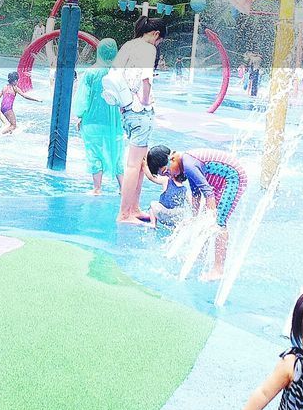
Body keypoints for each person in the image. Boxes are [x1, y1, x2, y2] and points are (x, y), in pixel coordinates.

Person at [145, 145, 246, 280]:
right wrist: (194, 217)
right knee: (205, 220)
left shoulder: (189, 165)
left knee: (218, 222)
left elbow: (208, 193)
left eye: (167, 171)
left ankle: (218, 269)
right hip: (220, 181)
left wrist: (211, 217)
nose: (171, 176)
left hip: (233, 178)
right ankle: (200, 257)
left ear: (173, 158)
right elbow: (196, 193)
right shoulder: (185, 166)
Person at [109, 16, 166, 224]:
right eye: (159, 41)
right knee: (134, 165)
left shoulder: (129, 45)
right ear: (156, 35)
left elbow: (114, 74)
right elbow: (146, 79)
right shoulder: (148, 49)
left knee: (140, 163)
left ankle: (134, 208)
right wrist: (144, 99)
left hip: (127, 111)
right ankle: (124, 214)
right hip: (140, 111)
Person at [74, 37, 124, 195]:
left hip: (92, 121)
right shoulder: (118, 73)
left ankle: (97, 188)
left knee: (94, 152)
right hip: (114, 121)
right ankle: (123, 188)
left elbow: (83, 98)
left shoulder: (91, 73)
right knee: (116, 153)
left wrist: (80, 116)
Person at [0, 70, 41, 136]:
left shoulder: (4, 87)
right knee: (13, 126)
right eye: (17, 80)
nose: (18, 82)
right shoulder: (15, 88)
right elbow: (25, 96)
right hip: (8, 109)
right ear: (15, 81)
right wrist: (36, 100)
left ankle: (8, 135)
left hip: (2, 108)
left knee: (12, 124)